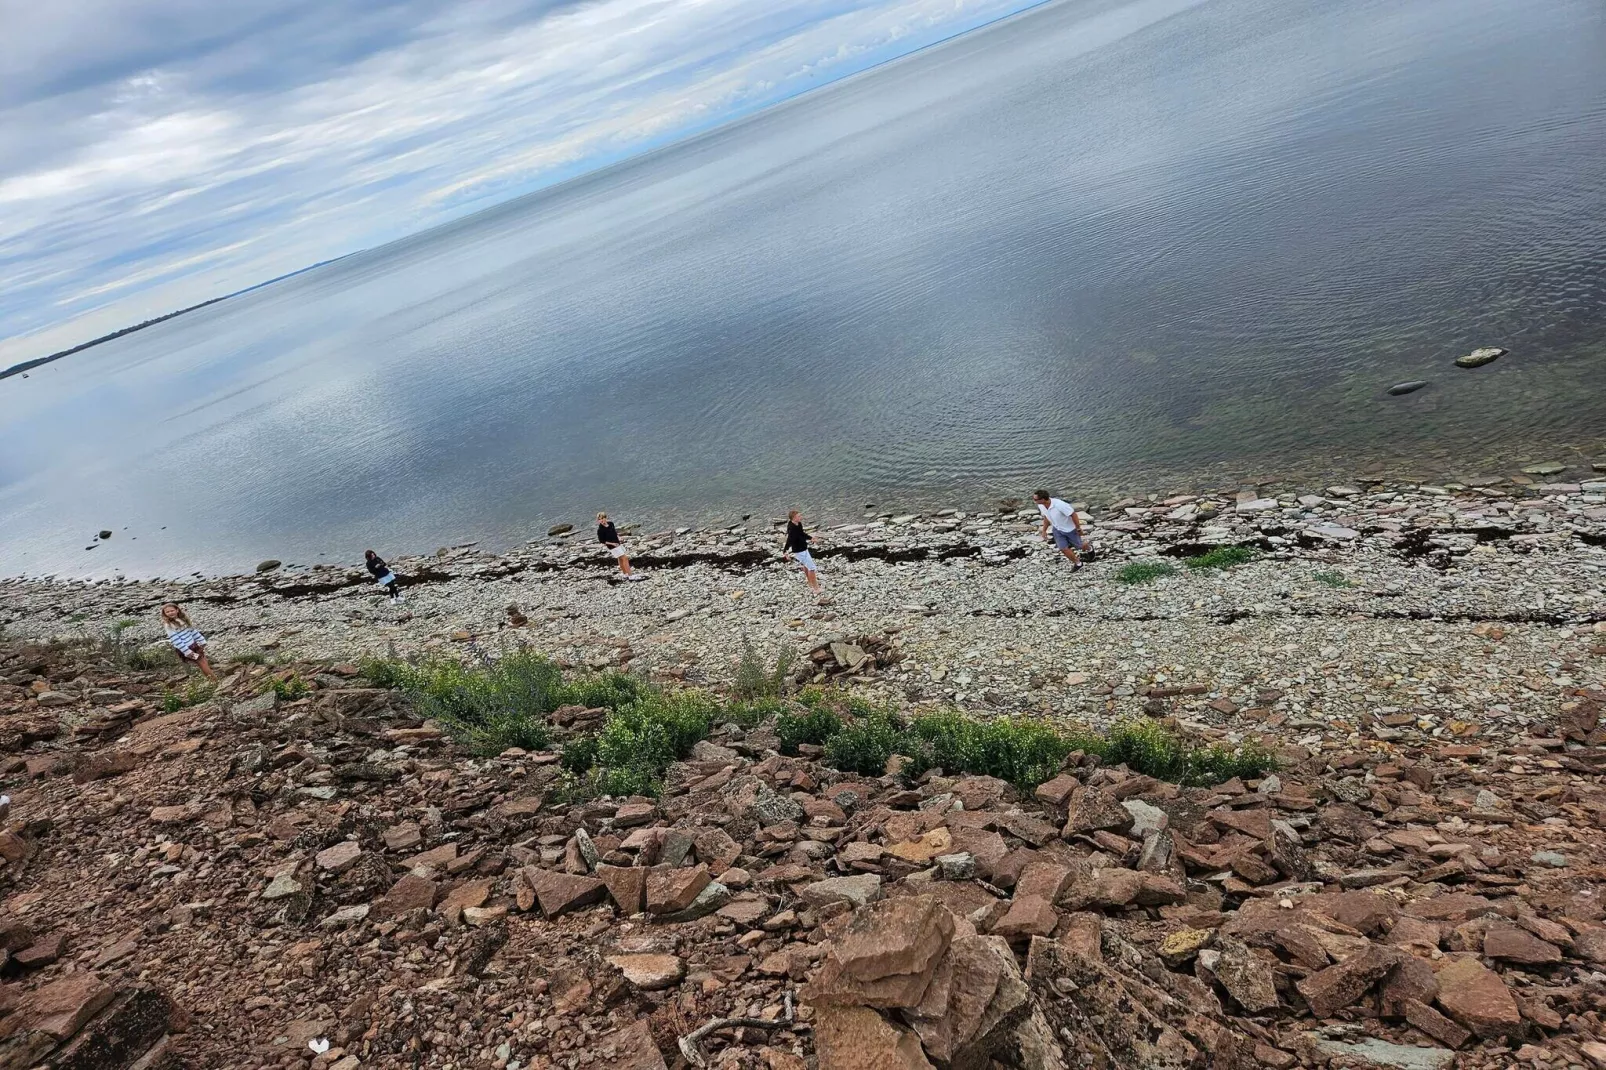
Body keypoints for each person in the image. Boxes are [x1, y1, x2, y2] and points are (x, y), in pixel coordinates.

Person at [160, 603, 217, 680]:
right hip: (187, 649)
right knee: (202, 663)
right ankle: (215, 680)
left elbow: (193, 631)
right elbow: (176, 640)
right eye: (167, 612)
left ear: (177, 610)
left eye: (172, 610)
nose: (170, 613)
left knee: (204, 662)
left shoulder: (182, 619)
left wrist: (202, 640)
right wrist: (187, 651)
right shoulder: (169, 625)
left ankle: (211, 679)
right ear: (165, 614)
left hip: (194, 645)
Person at [1032, 489, 1086, 570]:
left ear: (1042, 499)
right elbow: (1046, 517)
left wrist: (1078, 528)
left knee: (1080, 546)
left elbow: (1073, 515)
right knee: (1063, 548)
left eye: (1035, 499)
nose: (1034, 501)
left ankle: (1089, 548)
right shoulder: (1041, 506)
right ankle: (1078, 563)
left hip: (1070, 529)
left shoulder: (1059, 505)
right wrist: (1044, 530)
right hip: (1057, 529)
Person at [597, 512, 645, 581]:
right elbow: (602, 541)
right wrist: (612, 544)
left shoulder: (611, 524)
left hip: (618, 543)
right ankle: (630, 576)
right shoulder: (600, 530)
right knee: (625, 558)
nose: (601, 520)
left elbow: (614, 532)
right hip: (612, 546)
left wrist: (619, 537)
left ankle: (625, 574)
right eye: (599, 519)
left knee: (620, 558)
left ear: (605, 518)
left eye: (602, 518)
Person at [784, 509, 822, 593]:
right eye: (799, 516)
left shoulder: (798, 524)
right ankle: (816, 588)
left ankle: (810, 584)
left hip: (804, 548)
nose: (801, 517)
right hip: (799, 551)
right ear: (793, 518)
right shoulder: (792, 529)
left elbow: (802, 534)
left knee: (806, 566)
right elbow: (789, 540)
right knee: (811, 568)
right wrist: (785, 551)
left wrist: (811, 538)